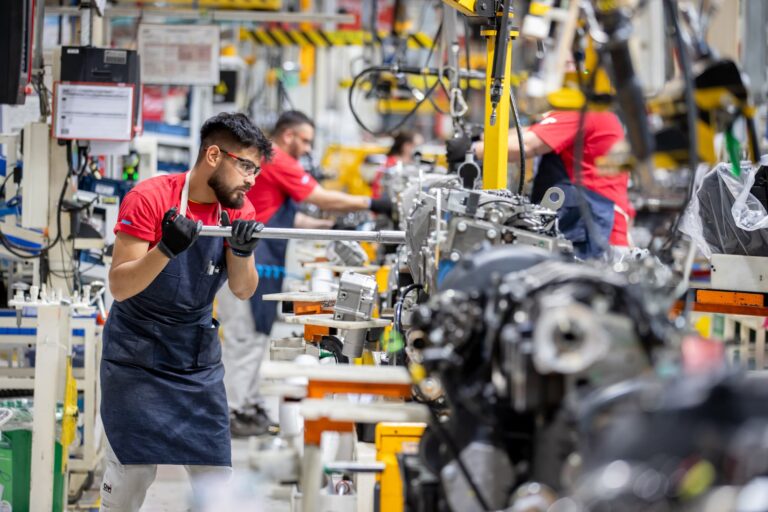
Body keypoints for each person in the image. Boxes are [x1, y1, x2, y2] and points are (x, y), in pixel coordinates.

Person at [100, 113, 272, 511]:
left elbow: (244, 290)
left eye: (257, 171)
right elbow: (120, 285)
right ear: (214, 154)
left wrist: (243, 253)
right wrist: (165, 249)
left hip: (195, 357)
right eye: (245, 166)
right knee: (132, 475)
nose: (251, 179)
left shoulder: (238, 212)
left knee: (216, 477)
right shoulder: (150, 198)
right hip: (136, 355)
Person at [218, 110, 392, 436]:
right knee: (245, 338)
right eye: (306, 141)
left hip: (263, 259)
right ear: (289, 135)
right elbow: (319, 196)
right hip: (247, 258)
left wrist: (331, 227)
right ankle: (231, 411)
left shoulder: (272, 162)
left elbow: (286, 218)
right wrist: (374, 204)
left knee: (256, 336)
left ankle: (248, 404)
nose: (309, 149)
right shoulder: (276, 157)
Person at [459, 110, 630, 259]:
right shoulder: (600, 114)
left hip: (588, 238)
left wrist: (469, 150)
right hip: (601, 234)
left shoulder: (584, 112)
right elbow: (530, 131)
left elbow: (527, 145)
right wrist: (482, 136)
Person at [371, 130, 421, 199]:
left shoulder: (416, 163)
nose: (419, 149)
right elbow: (377, 188)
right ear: (406, 146)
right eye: (416, 146)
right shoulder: (389, 163)